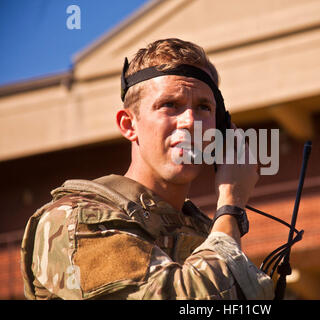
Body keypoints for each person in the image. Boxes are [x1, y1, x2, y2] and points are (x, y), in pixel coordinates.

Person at [20, 38, 274, 300]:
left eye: (203, 107)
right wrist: (231, 204)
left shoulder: (205, 232)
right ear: (129, 125)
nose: (190, 122)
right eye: (170, 105)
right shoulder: (76, 219)